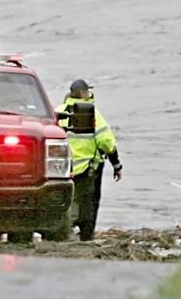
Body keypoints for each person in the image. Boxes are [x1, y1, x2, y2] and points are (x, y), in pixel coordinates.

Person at [56, 78, 122, 241]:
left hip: (61, 169)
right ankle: (86, 237)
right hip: (88, 169)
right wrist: (116, 164)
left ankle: (60, 233)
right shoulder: (93, 114)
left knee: (63, 203)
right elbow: (106, 142)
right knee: (89, 205)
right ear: (85, 94)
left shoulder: (58, 112)